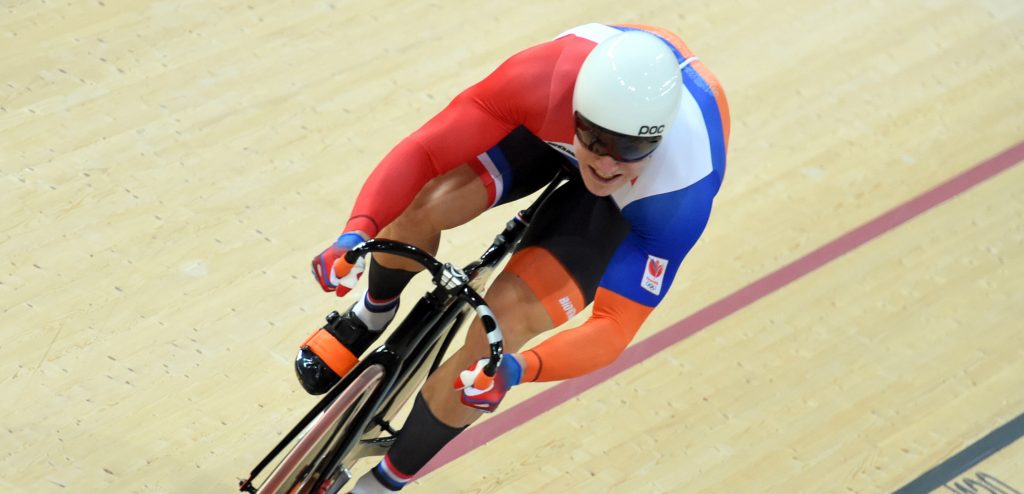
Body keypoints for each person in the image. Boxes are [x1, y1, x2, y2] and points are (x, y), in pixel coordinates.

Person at [296, 22, 730, 492]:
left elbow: (615, 324)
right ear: (577, 111)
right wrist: (355, 232)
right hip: (548, 134)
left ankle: (381, 484)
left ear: (658, 140)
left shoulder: (679, 192)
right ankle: (373, 312)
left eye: (631, 148)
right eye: (597, 141)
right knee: (421, 205)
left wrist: (522, 368)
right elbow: (423, 152)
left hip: (630, 201)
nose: (606, 163)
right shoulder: (541, 81)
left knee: (499, 333)